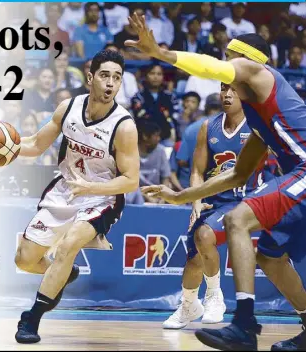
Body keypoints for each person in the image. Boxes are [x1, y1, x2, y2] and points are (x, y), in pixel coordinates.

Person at [127, 13, 306, 351]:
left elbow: (213, 68)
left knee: (237, 218)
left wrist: (161, 54)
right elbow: (237, 174)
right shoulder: (258, 117)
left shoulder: (260, 73)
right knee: (269, 257)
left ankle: (244, 324)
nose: (225, 68)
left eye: (228, 59)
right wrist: (182, 197)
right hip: (298, 178)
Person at [14, 50, 139, 344]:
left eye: (117, 78)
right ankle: (64, 273)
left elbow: (130, 180)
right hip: (66, 189)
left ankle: (31, 318)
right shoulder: (67, 108)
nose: (111, 83)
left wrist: (92, 188)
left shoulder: (123, 126)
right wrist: (5, 149)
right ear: (90, 76)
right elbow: (34, 144)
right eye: (105, 75)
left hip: (102, 198)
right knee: (24, 260)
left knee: (69, 246)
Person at [163, 82, 267, 330]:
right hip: (214, 200)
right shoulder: (208, 127)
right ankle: (189, 305)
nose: (227, 94)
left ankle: (214, 296)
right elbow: (197, 171)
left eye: (233, 89)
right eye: (223, 89)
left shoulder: (257, 127)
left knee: (205, 235)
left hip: (245, 199)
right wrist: (196, 202)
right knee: (194, 259)